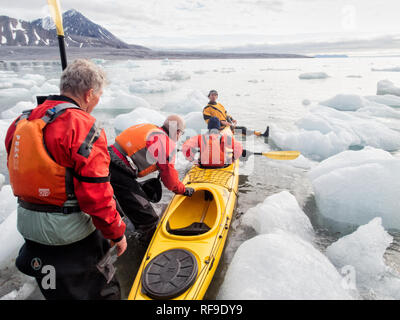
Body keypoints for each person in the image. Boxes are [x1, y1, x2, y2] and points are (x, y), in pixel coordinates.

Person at [5, 59, 127, 300]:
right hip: (69, 235)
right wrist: (117, 233)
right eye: (98, 95)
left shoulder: (21, 122)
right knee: (100, 290)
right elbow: (96, 195)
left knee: (56, 290)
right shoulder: (83, 126)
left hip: (30, 229)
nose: (98, 101)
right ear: (90, 94)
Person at [108, 115, 194, 244]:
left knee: (127, 205)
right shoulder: (165, 143)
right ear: (177, 132)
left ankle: (124, 228)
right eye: (181, 133)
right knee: (149, 219)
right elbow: (170, 179)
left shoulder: (150, 128)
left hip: (106, 158)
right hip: (118, 170)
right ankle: (142, 249)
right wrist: (183, 190)